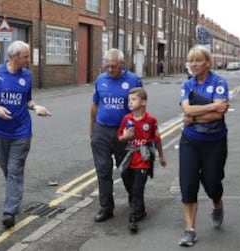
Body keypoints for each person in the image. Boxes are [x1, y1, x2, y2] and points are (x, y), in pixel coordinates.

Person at [0, 40, 51, 229]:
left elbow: (27, 100)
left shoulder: (26, 75)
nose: (28, 60)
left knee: (15, 169)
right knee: (8, 169)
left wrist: (36, 107)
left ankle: (9, 211)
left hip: (22, 131)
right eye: (25, 57)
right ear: (14, 57)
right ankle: (15, 196)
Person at [178, 45, 229, 247]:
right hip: (190, 141)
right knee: (188, 183)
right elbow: (187, 109)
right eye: (191, 61)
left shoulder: (218, 82)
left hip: (215, 142)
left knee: (213, 182)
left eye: (198, 60)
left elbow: (219, 115)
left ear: (207, 62)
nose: (193, 64)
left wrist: (195, 116)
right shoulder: (187, 85)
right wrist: (212, 106)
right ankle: (189, 229)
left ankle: (217, 204)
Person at [90, 48, 143, 223]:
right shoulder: (100, 80)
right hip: (102, 131)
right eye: (107, 66)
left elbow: (140, 108)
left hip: (125, 133)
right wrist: (92, 128)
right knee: (103, 170)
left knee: (128, 170)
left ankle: (136, 205)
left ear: (122, 64)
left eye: (114, 66)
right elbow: (95, 105)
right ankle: (106, 208)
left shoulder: (133, 80)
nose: (110, 70)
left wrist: (137, 131)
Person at [117, 87, 166, 233]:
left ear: (143, 102)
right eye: (129, 100)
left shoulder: (150, 120)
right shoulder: (126, 119)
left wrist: (161, 156)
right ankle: (141, 209)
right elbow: (120, 138)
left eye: (134, 99)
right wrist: (125, 137)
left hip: (143, 159)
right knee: (130, 187)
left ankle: (133, 218)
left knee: (138, 188)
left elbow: (157, 139)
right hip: (128, 158)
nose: (130, 103)